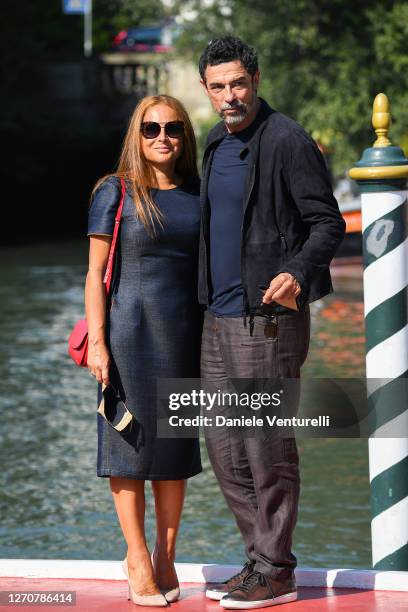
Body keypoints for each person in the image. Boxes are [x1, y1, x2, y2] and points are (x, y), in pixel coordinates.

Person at [198, 37, 346, 609]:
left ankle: (277, 569)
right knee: (224, 445)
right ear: (208, 90)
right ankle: (258, 560)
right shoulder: (215, 141)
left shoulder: (286, 140)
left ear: (255, 80)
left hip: (269, 319)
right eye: (218, 86)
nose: (230, 95)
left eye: (238, 83)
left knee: (266, 445)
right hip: (217, 317)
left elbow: (326, 222)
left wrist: (296, 272)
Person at [85, 95, 202, 607]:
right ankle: (135, 558)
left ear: (184, 136)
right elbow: (93, 273)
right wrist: (98, 343)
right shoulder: (115, 191)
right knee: (126, 450)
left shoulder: (198, 193)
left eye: (173, 129)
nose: (162, 137)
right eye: (151, 128)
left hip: (185, 335)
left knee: (174, 451)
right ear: (137, 132)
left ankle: (166, 555)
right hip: (128, 333)